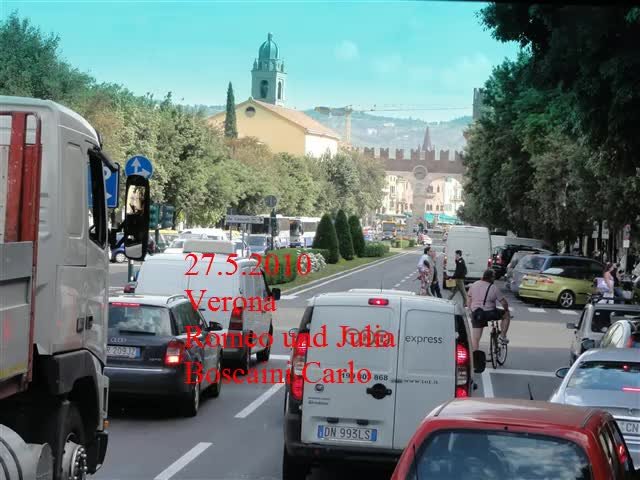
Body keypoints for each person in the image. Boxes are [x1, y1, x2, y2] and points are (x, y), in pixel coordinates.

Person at [467, 269, 511, 352]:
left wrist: (471, 311)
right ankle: (502, 336)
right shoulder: (493, 288)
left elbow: (469, 299)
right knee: (506, 315)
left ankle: (474, 355)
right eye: (494, 277)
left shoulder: (474, 285)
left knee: (475, 338)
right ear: (491, 277)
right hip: (490, 313)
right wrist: (506, 310)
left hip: (477, 313)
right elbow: (504, 303)